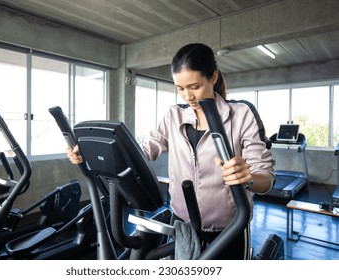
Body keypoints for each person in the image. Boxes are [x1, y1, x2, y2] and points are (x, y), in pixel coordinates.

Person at [66, 43, 275, 260]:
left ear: (213, 77)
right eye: (180, 88)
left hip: (228, 229)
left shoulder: (241, 114)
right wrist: (91, 155)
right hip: (182, 225)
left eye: (194, 87)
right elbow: (144, 151)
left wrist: (248, 178)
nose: (188, 96)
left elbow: (266, 177)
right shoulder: (174, 115)